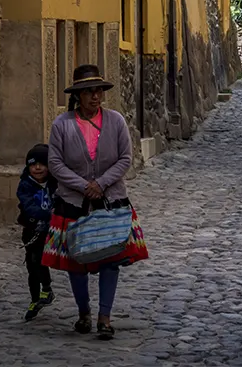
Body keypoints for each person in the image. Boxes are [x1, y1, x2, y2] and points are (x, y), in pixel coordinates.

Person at [42, 64, 149, 341]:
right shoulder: (62, 125)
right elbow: (55, 163)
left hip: (110, 201)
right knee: (76, 260)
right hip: (73, 203)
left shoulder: (115, 122)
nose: (95, 97)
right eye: (89, 92)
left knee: (109, 259)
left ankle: (105, 317)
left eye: (98, 91)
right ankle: (83, 313)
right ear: (78, 95)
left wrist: (100, 184)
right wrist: (83, 186)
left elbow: (125, 158)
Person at [16, 144, 58, 321]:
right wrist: (47, 214)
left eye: (42, 164)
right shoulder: (25, 185)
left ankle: (47, 289)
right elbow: (28, 206)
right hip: (32, 229)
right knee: (32, 265)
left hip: (51, 230)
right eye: (33, 165)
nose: (38, 168)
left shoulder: (56, 184)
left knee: (41, 259)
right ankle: (35, 298)